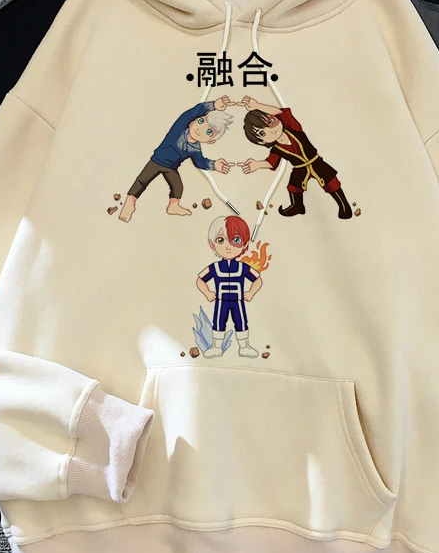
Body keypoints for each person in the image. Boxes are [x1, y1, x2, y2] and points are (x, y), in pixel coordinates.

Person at [119, 96, 234, 222]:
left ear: (210, 141)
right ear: (192, 121)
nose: (200, 129)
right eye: (201, 121)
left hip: (171, 168)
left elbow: (199, 162)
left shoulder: (195, 149)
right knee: (142, 181)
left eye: (208, 132)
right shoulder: (180, 127)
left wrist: (214, 165)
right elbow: (194, 111)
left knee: (178, 187)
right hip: (157, 160)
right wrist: (213, 105)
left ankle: (173, 206)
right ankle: (130, 202)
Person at [238, 96, 352, 218]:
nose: (270, 131)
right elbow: (271, 163)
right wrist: (256, 165)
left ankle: (344, 205)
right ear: (261, 142)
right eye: (262, 133)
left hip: (315, 161)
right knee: (294, 186)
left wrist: (257, 106)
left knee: (331, 182)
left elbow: (279, 112)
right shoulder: (276, 149)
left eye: (270, 122)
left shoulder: (293, 127)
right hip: (299, 168)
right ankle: (297, 206)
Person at [196, 215, 262, 358]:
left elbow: (257, 279)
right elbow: (200, 280)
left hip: (238, 302)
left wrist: (251, 293)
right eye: (221, 240)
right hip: (221, 302)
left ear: (245, 244)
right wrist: (207, 293)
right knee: (219, 322)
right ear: (212, 244)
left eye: (236, 240)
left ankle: (244, 347)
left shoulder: (243, 267)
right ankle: (216, 347)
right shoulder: (215, 267)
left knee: (241, 322)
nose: (228, 246)